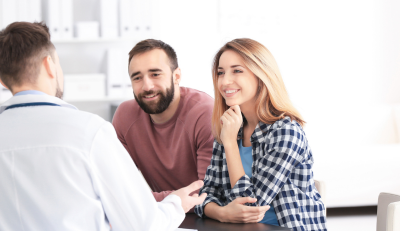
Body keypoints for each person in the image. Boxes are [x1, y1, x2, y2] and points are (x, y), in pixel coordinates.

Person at [0, 21, 206, 231]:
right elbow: (142, 225)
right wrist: (176, 204)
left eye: (155, 74)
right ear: (49, 65)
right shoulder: (89, 132)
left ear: (3, 81)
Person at [194, 38, 327, 231]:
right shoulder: (231, 127)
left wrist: (230, 144)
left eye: (237, 70)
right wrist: (222, 213)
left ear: (261, 75)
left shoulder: (285, 131)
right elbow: (204, 195)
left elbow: (250, 206)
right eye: (220, 73)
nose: (224, 81)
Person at [112, 39, 214, 208]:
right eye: (137, 77)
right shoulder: (125, 115)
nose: (147, 86)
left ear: (177, 76)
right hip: (161, 215)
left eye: (155, 74)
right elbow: (115, 189)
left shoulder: (204, 112)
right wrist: (174, 200)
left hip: (206, 218)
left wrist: (143, 199)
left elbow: (206, 194)